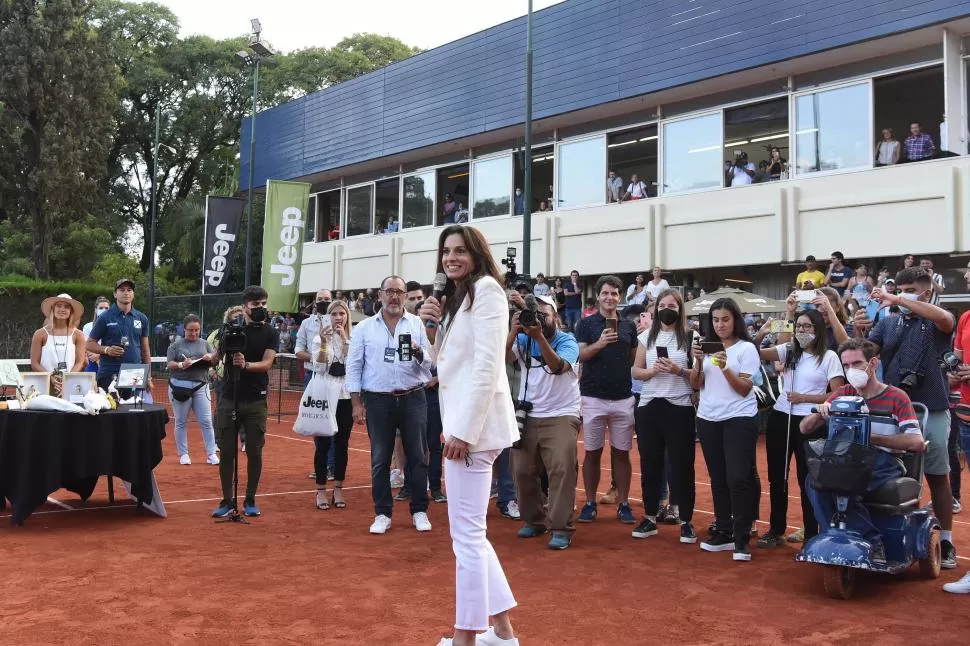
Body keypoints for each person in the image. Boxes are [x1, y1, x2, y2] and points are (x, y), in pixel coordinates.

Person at [419, 224, 519, 646]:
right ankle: (502, 630)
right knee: (471, 534)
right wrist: (430, 328)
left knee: (467, 538)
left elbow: (488, 367)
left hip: (472, 431)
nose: (451, 257)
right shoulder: (459, 299)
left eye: (460, 250)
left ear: (477, 254)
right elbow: (444, 364)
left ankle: (465, 638)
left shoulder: (489, 293)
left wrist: (463, 431)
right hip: (464, 425)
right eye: (446, 251)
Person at [856, 268, 958, 568]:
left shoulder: (937, 317)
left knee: (938, 475)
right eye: (898, 289)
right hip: (892, 407)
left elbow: (945, 320)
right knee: (889, 470)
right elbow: (864, 351)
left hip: (933, 407)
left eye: (909, 289)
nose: (900, 294)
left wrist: (894, 297)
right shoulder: (888, 323)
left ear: (925, 292)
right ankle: (887, 534)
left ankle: (947, 539)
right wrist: (859, 328)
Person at [799, 339, 925, 564]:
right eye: (846, 366)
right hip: (847, 459)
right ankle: (841, 536)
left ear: (873, 363)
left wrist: (869, 437)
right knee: (814, 481)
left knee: (845, 479)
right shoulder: (842, 393)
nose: (851, 370)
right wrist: (820, 412)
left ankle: (872, 540)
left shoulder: (896, 397)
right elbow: (804, 427)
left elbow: (916, 442)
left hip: (885, 460)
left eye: (857, 363)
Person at [347, 275, 434, 535]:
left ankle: (420, 510)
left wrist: (419, 352)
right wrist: (356, 403)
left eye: (399, 292)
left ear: (405, 296)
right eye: (389, 291)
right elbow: (354, 366)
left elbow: (429, 363)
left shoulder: (416, 323)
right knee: (379, 459)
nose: (394, 296)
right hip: (378, 400)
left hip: (413, 396)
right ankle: (382, 513)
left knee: (418, 457)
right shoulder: (364, 328)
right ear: (380, 295)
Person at [754, 309, 844, 547]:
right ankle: (776, 528)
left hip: (812, 421)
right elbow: (752, 354)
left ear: (818, 329)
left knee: (809, 478)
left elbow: (837, 392)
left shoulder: (829, 357)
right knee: (777, 476)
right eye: (799, 326)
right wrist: (764, 331)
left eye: (808, 326)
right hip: (781, 417)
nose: (802, 331)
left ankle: (812, 533)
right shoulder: (789, 350)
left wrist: (804, 398)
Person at [506, 293, 581, 550]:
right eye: (534, 313)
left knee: (561, 468)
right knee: (522, 470)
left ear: (555, 317)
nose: (538, 319)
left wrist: (538, 336)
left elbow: (558, 366)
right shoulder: (523, 338)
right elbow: (503, 360)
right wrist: (513, 332)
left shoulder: (567, 340)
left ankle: (560, 527)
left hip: (562, 413)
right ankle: (534, 520)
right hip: (529, 413)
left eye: (543, 314)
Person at [690, 298, 761, 561]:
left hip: (739, 418)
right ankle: (724, 530)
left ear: (736, 321)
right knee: (718, 478)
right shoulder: (705, 348)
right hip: (708, 418)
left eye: (725, 319)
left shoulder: (746, 349)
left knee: (739, 478)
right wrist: (698, 362)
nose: (720, 325)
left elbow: (743, 390)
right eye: (716, 320)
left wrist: (725, 366)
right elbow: (696, 385)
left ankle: (742, 538)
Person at [630, 289, 698, 543]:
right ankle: (649, 516)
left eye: (672, 305)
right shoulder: (646, 336)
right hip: (649, 406)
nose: (666, 309)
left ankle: (686, 521)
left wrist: (678, 370)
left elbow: (698, 377)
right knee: (650, 463)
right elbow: (636, 371)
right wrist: (652, 372)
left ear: (680, 309)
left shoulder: (691, 337)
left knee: (682, 465)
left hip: (679, 407)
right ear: (655, 309)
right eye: (662, 305)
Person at [210, 286, 279, 519]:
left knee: (255, 451)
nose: (260, 308)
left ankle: (250, 498)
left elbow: (268, 362)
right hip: (229, 397)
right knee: (227, 452)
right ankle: (227, 499)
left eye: (263, 304)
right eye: (255, 305)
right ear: (245, 306)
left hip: (256, 399)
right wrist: (212, 358)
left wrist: (246, 364)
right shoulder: (229, 329)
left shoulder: (271, 332)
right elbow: (216, 359)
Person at [575, 275, 639, 525]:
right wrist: (600, 343)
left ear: (619, 297)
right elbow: (581, 354)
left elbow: (633, 359)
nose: (609, 297)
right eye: (605, 293)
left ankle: (623, 503)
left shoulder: (629, 326)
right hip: (593, 397)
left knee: (622, 453)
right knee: (592, 453)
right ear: (599, 296)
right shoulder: (586, 324)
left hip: (623, 398)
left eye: (614, 293)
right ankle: (590, 502)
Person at [307, 300, 355, 510]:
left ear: (347, 317)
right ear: (328, 317)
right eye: (334, 314)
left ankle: (338, 488)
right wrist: (326, 343)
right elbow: (318, 366)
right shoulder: (319, 339)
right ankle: (320, 490)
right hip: (325, 397)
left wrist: (345, 341)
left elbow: (353, 365)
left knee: (342, 445)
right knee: (323, 445)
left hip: (345, 398)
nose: (338, 318)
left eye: (341, 314)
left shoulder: (353, 339)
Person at [165, 314, 219, 466]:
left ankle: (211, 454)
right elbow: (169, 364)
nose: (194, 333)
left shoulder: (204, 343)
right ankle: (183, 454)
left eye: (197, 330)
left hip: (201, 386)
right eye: (190, 330)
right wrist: (182, 365)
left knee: (206, 421)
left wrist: (210, 357)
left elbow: (215, 361)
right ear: (184, 329)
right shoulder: (175, 345)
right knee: (181, 421)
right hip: (180, 387)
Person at [295, 289, 335, 480]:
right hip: (313, 376)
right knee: (317, 419)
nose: (323, 303)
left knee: (335, 419)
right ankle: (322, 464)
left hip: (336, 378)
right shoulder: (306, 324)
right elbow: (298, 351)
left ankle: (333, 464)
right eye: (320, 300)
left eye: (327, 300)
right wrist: (318, 357)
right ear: (315, 302)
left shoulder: (339, 320)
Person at [85, 279, 152, 394]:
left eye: (129, 290)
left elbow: (145, 350)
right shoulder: (105, 317)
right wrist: (107, 350)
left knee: (132, 410)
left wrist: (148, 377)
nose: (126, 293)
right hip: (109, 374)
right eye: (122, 290)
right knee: (110, 409)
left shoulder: (142, 318)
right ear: (115, 294)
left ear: (133, 294)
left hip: (134, 374)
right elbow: (89, 343)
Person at [30, 293, 86, 396]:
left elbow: (80, 362)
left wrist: (67, 380)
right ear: (53, 309)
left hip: (68, 386)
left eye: (66, 307)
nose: (62, 309)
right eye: (59, 306)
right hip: (44, 386)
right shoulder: (40, 334)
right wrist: (50, 376)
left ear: (71, 311)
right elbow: (34, 363)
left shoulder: (78, 335)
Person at [82, 296, 110, 373]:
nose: (104, 310)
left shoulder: (114, 326)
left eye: (106, 308)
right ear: (96, 309)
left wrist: (99, 356)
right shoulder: (88, 326)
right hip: (92, 362)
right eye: (101, 308)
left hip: (108, 361)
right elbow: (86, 346)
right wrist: (96, 359)